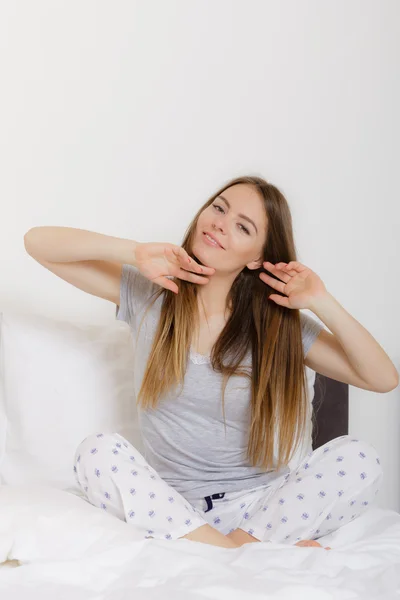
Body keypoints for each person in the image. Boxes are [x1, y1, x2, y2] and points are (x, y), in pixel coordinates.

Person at [24, 175, 396, 550]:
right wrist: (133, 251)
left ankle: (227, 547)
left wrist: (321, 300)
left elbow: (383, 379)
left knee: (360, 457)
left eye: (242, 226)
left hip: (261, 508)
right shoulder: (151, 296)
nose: (220, 222)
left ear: (257, 257)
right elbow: (37, 243)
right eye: (219, 207)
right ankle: (240, 553)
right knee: (96, 452)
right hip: (171, 507)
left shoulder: (280, 326)